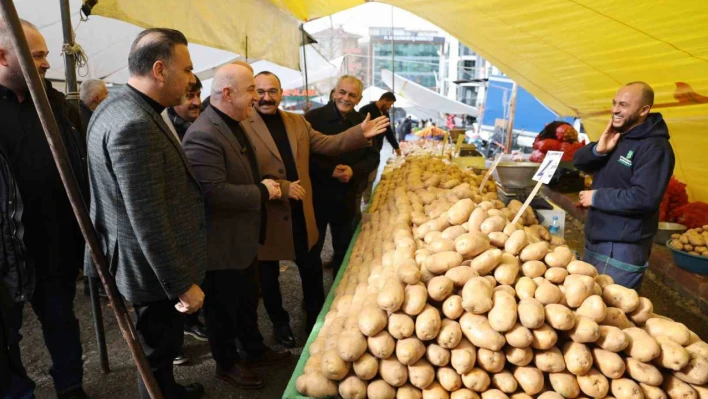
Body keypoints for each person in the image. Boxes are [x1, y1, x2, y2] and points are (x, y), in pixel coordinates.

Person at [86, 28, 206, 399]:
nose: (190, 80)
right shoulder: (135, 124)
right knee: (157, 349)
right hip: (151, 270)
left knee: (162, 348)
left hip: (141, 262)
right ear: (159, 70)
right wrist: (180, 283)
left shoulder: (117, 105)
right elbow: (147, 218)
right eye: (186, 70)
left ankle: (167, 390)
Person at [241, 71, 389, 346]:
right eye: (260, 91)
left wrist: (360, 133)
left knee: (310, 267)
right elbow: (242, 173)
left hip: (300, 208)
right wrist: (281, 187)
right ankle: (280, 323)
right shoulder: (241, 124)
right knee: (268, 275)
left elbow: (326, 144)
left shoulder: (297, 121)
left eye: (272, 91)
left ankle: (314, 318)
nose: (266, 97)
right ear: (252, 93)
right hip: (268, 211)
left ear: (281, 93)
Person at [183, 64, 290, 391]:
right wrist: (263, 190)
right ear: (227, 93)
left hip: (242, 240)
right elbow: (212, 192)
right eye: (251, 91)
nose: (257, 98)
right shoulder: (203, 134)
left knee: (246, 300)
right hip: (221, 244)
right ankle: (226, 364)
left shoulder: (234, 122)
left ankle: (253, 349)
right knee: (223, 308)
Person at [0, 19, 89, 399]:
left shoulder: (53, 103)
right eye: (37, 56)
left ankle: (71, 388)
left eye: (47, 55)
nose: (47, 63)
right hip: (6, 254)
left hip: (55, 242)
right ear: (3, 56)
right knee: (5, 335)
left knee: (62, 321)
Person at [573, 82, 675, 290]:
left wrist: (597, 197)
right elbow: (579, 162)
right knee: (588, 306)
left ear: (644, 110)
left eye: (623, 105)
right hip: (597, 237)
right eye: (614, 103)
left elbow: (644, 197)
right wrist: (598, 150)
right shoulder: (618, 136)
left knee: (613, 312)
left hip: (621, 247)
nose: (615, 110)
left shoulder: (655, 148)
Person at [306, 75, 380, 277]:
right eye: (342, 92)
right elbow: (302, 156)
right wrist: (329, 171)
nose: (346, 98)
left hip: (347, 194)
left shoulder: (364, 123)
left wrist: (353, 171)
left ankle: (339, 290)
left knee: (344, 247)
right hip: (316, 194)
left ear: (359, 99)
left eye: (352, 95)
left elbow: (373, 157)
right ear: (334, 93)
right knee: (312, 250)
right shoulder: (312, 119)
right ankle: (313, 301)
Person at [159, 76, 207, 366]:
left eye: (199, 94)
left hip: (193, 221)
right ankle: (173, 343)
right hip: (171, 222)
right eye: (190, 94)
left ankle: (188, 325)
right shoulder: (160, 126)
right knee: (173, 283)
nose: (196, 102)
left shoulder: (194, 125)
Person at [357, 91, 400, 216]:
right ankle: (359, 204)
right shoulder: (366, 110)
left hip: (376, 151)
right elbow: (358, 130)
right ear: (385, 100)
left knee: (371, 177)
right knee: (363, 177)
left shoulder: (385, 114)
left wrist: (396, 147)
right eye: (390, 104)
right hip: (364, 151)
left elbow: (388, 132)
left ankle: (366, 202)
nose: (390, 107)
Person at [162, 76, 202, 142]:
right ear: (173, 98)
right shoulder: (163, 128)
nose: (197, 102)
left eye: (198, 95)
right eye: (189, 96)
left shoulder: (208, 117)